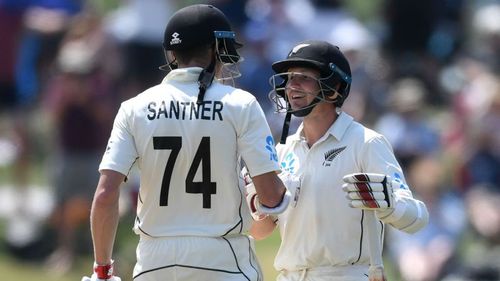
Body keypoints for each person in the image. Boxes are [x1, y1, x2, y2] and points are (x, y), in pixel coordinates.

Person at [82, 4, 290, 281]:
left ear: (171, 54)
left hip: (155, 263)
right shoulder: (240, 104)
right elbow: (271, 197)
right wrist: (285, 189)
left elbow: (106, 194)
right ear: (217, 50)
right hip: (224, 260)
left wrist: (102, 270)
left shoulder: (134, 107)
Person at [247, 40, 429, 281]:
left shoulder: (366, 143)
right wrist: (257, 205)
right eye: (290, 78)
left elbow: (418, 219)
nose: (292, 86)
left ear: (333, 88)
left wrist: (390, 205)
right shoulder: (282, 152)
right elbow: (260, 233)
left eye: (304, 77)